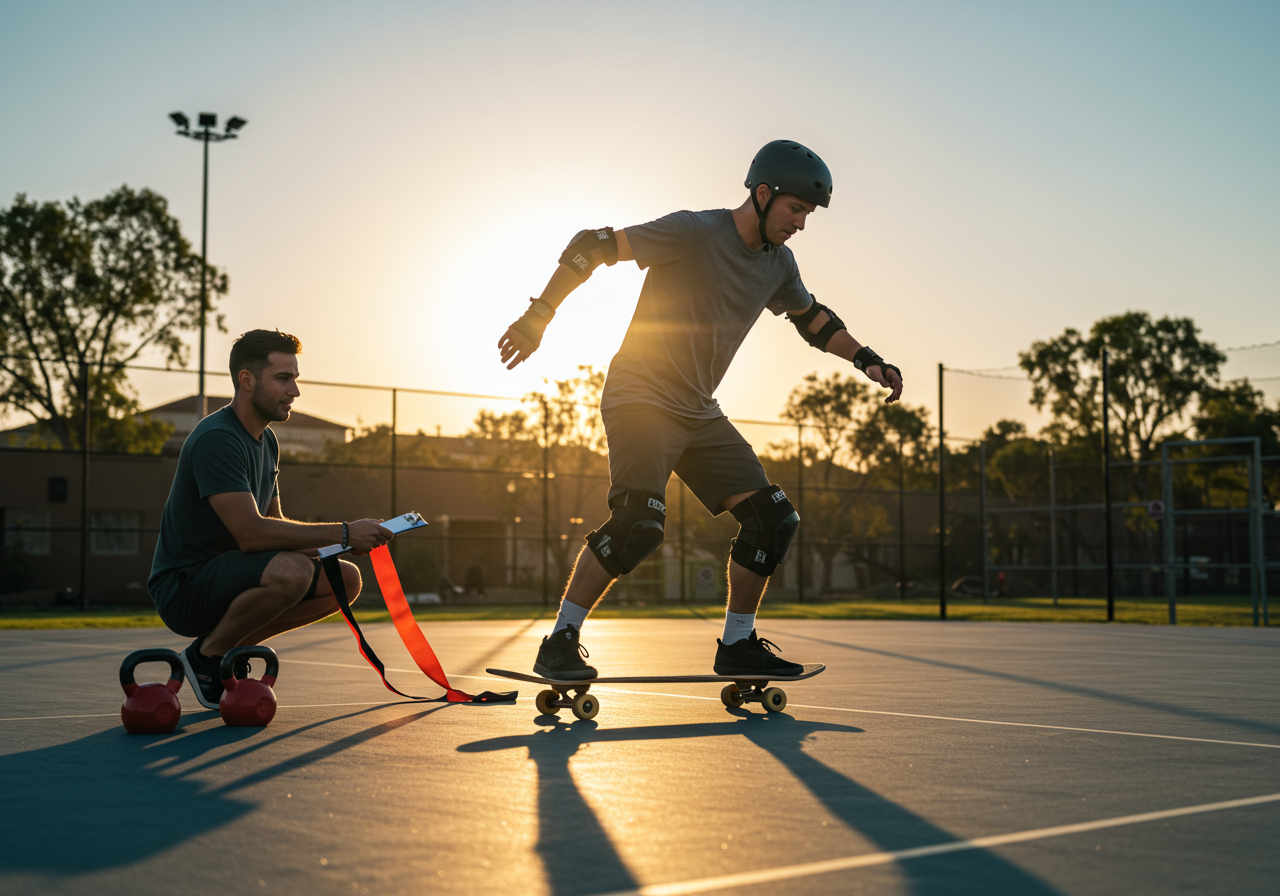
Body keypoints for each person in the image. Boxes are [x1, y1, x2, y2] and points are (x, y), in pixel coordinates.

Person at [497, 140, 904, 681]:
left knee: (773, 519)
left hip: (698, 413)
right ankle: (560, 640)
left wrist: (867, 360)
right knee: (639, 524)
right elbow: (591, 245)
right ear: (763, 195)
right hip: (640, 396)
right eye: (796, 210)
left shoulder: (779, 265)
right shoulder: (693, 232)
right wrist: (539, 314)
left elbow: (813, 320)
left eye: (807, 214)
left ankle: (738, 644)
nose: (801, 224)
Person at [148, 329, 394, 709]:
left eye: (295, 378)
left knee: (345, 579)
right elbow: (251, 533)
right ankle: (207, 658)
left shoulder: (267, 441)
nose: (294, 391)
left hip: (234, 574)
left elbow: (276, 524)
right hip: (185, 586)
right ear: (247, 381)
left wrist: (349, 542)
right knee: (292, 571)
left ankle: (230, 649)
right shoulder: (217, 438)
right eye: (283, 379)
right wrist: (345, 532)